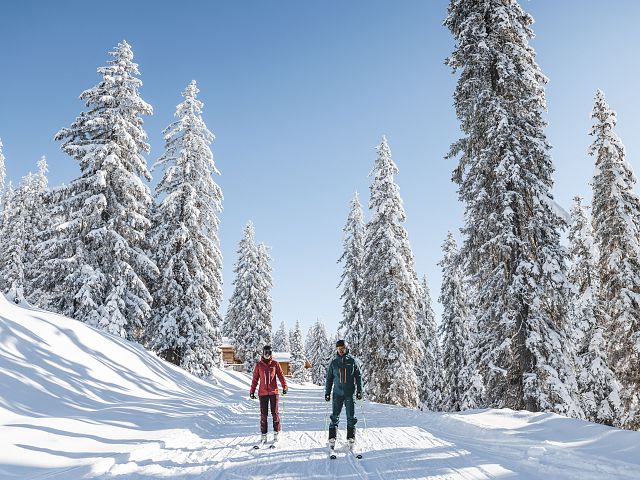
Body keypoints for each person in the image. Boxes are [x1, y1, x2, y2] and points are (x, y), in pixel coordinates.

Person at [324, 339, 363, 447]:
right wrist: (327, 392)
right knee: (335, 416)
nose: (341, 351)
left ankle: (351, 438)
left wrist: (360, 390)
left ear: (346, 349)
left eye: (343, 349)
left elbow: (358, 377)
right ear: (337, 349)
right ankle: (332, 438)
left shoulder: (352, 361)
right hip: (337, 393)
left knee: (351, 416)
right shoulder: (334, 362)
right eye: (339, 349)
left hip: (349, 393)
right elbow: (329, 379)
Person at [250, 345, 288, 444]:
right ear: (263, 353)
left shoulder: (275, 364)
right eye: (265, 352)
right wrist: (252, 391)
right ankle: (264, 435)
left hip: (273, 393)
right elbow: (255, 379)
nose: (267, 355)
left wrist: (285, 386)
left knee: (275, 414)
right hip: (262, 393)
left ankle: (276, 433)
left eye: (269, 353)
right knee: (263, 415)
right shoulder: (259, 365)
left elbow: (281, 376)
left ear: (271, 353)